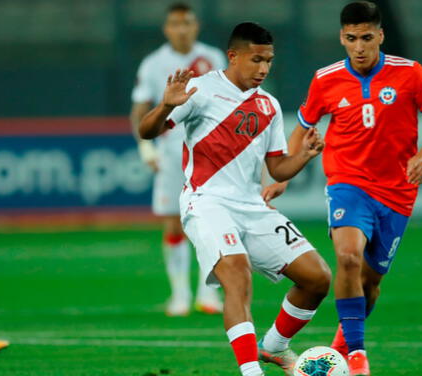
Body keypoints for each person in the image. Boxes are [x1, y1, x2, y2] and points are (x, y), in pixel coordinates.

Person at [262, 2, 422, 375]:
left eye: (367, 37)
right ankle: (358, 356)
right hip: (347, 183)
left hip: (397, 192)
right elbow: (303, 126)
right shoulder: (325, 79)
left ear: (380, 35)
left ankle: (337, 350)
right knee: (348, 257)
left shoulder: (410, 73)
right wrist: (284, 175)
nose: (360, 47)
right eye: (351, 39)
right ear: (342, 38)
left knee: (370, 283)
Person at [139, 22, 332, 376]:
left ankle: (274, 348)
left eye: (269, 61)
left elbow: (277, 169)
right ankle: (250, 372)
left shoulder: (268, 105)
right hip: (207, 202)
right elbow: (146, 131)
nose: (263, 68)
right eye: (256, 59)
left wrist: (304, 155)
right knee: (238, 276)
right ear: (233, 56)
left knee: (318, 278)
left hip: (253, 207)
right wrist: (165, 106)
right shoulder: (200, 89)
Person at [129, 2, 226, 316]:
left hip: (209, 151)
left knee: (213, 221)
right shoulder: (153, 63)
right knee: (173, 222)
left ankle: (207, 294)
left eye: (187, 23)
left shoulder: (214, 57)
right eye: (175, 23)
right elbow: (140, 109)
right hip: (171, 152)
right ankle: (180, 295)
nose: (181, 29)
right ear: (166, 28)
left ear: (195, 26)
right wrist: (146, 148)